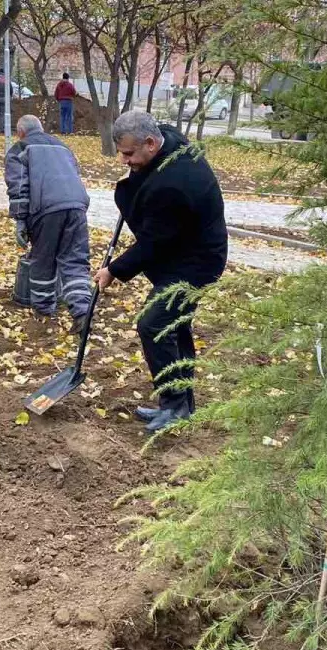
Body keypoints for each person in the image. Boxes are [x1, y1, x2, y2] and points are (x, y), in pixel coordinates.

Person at [93, 111, 228, 432]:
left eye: (128, 154)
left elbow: (152, 244)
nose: (124, 161)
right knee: (174, 327)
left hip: (196, 261)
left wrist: (113, 270)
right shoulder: (168, 140)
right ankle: (182, 404)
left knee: (154, 323)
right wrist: (136, 176)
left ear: (151, 143)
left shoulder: (173, 185)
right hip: (185, 249)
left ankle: (175, 405)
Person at [5, 114, 92, 332]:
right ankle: (82, 312)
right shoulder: (63, 147)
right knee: (75, 261)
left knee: (42, 260)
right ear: (41, 129)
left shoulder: (20, 148)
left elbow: (19, 187)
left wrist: (20, 221)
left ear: (20, 132)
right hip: (77, 207)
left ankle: (44, 312)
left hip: (45, 209)